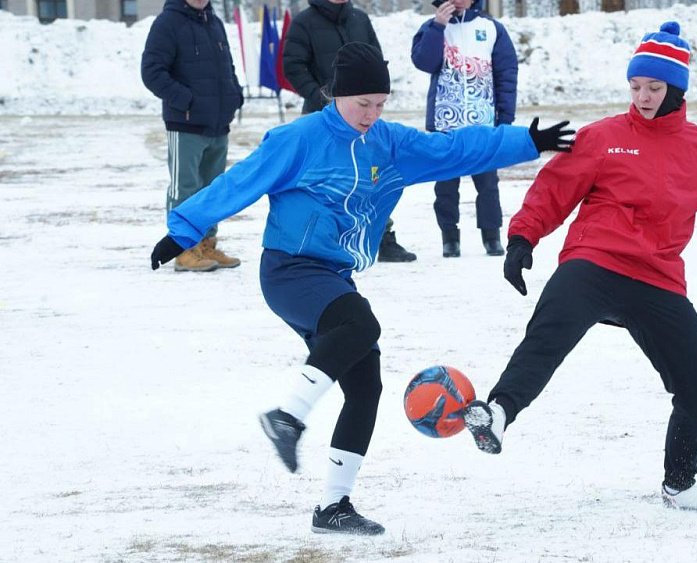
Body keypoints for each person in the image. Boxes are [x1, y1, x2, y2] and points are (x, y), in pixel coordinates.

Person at [148, 43, 574, 535]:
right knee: (360, 323)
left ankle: (334, 506)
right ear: (336, 96)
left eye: (380, 103)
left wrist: (526, 140)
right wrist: (183, 230)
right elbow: (240, 181)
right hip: (289, 270)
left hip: (334, 276)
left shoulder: (390, 144)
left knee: (366, 384)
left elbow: (456, 149)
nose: (371, 114)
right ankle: (287, 417)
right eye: (362, 104)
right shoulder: (300, 139)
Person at [463, 22, 697, 513]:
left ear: (677, 88)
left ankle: (681, 482)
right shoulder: (604, 136)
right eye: (635, 87)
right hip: (595, 260)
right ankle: (498, 412)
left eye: (654, 87)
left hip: (657, 277)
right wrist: (524, 237)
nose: (644, 97)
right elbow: (554, 189)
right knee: (548, 334)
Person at [283, 0, 417, 263]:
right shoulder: (304, 22)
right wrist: (324, 98)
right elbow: (293, 67)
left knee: (372, 175)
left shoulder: (359, 19)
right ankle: (322, 240)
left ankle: (382, 238)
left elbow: (375, 59)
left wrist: (372, 98)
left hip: (362, 115)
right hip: (322, 116)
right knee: (323, 182)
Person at [140, 0, 244, 272]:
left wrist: (235, 95)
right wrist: (186, 100)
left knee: (213, 189)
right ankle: (184, 249)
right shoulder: (167, 23)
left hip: (218, 124)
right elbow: (151, 72)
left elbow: (227, 68)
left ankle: (206, 244)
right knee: (184, 189)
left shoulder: (214, 23)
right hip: (185, 124)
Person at [411, 0, 518, 258]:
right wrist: (438, 26)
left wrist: (505, 116)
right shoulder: (432, 27)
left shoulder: (492, 28)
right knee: (446, 186)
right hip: (445, 121)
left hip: (482, 123)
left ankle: (491, 236)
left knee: (488, 185)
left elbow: (507, 72)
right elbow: (424, 62)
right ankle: (450, 237)